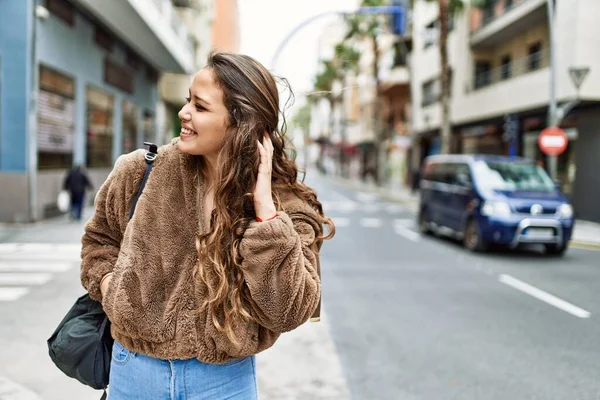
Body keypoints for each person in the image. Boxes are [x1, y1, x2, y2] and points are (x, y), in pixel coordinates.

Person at [80, 51, 335, 399]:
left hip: (225, 382)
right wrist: (113, 290)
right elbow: (99, 241)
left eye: (200, 107)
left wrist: (265, 213)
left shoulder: (287, 205)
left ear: (239, 123)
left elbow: (288, 312)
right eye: (188, 101)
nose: (184, 113)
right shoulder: (140, 171)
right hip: (135, 370)